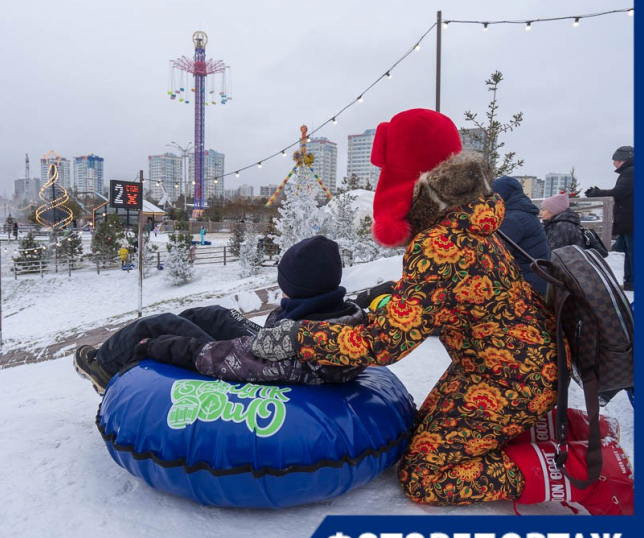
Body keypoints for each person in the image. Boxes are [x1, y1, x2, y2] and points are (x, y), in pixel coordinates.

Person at [139, 109, 632, 515]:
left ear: (415, 181)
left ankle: (577, 476)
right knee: (424, 435)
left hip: (508, 377)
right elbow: (449, 293)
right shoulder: (470, 225)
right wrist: (393, 294)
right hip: (516, 364)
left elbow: (384, 345)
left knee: (424, 474)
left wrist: (295, 339)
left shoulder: (441, 243)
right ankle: (567, 435)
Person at [73, 236, 374, 394]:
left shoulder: (299, 343)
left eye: (286, 287)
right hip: (279, 350)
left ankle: (104, 367)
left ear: (302, 291)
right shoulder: (341, 316)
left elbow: (224, 358)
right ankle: (178, 326)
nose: (282, 293)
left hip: (268, 368)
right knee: (215, 315)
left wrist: (160, 345)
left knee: (158, 326)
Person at [585, 146, 634, 291]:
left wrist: (596, 193)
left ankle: (633, 281)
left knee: (630, 253)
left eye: (616, 161)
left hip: (630, 221)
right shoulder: (630, 172)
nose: (614, 164)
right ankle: (630, 281)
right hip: (627, 221)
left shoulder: (631, 172)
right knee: (624, 251)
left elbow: (619, 192)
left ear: (623, 159)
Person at [492, 176, 550, 295]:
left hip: (529, 286)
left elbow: (494, 251)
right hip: (538, 279)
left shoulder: (513, 219)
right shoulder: (522, 212)